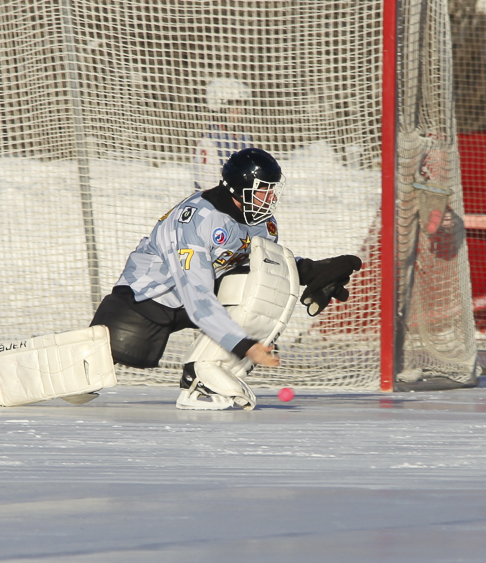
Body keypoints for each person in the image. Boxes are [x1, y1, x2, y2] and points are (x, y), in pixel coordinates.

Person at [92, 147, 362, 409]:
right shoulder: (197, 220)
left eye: (272, 189)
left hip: (200, 295)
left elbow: (261, 264)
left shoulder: (262, 221)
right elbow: (196, 295)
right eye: (263, 189)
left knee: (271, 281)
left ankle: (202, 380)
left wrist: (312, 271)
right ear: (239, 189)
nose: (271, 197)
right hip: (148, 298)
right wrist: (244, 345)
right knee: (89, 369)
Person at [193, 78, 254, 191]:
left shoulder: (244, 137)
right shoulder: (210, 140)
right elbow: (208, 184)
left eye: (240, 106)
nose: (239, 111)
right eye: (233, 107)